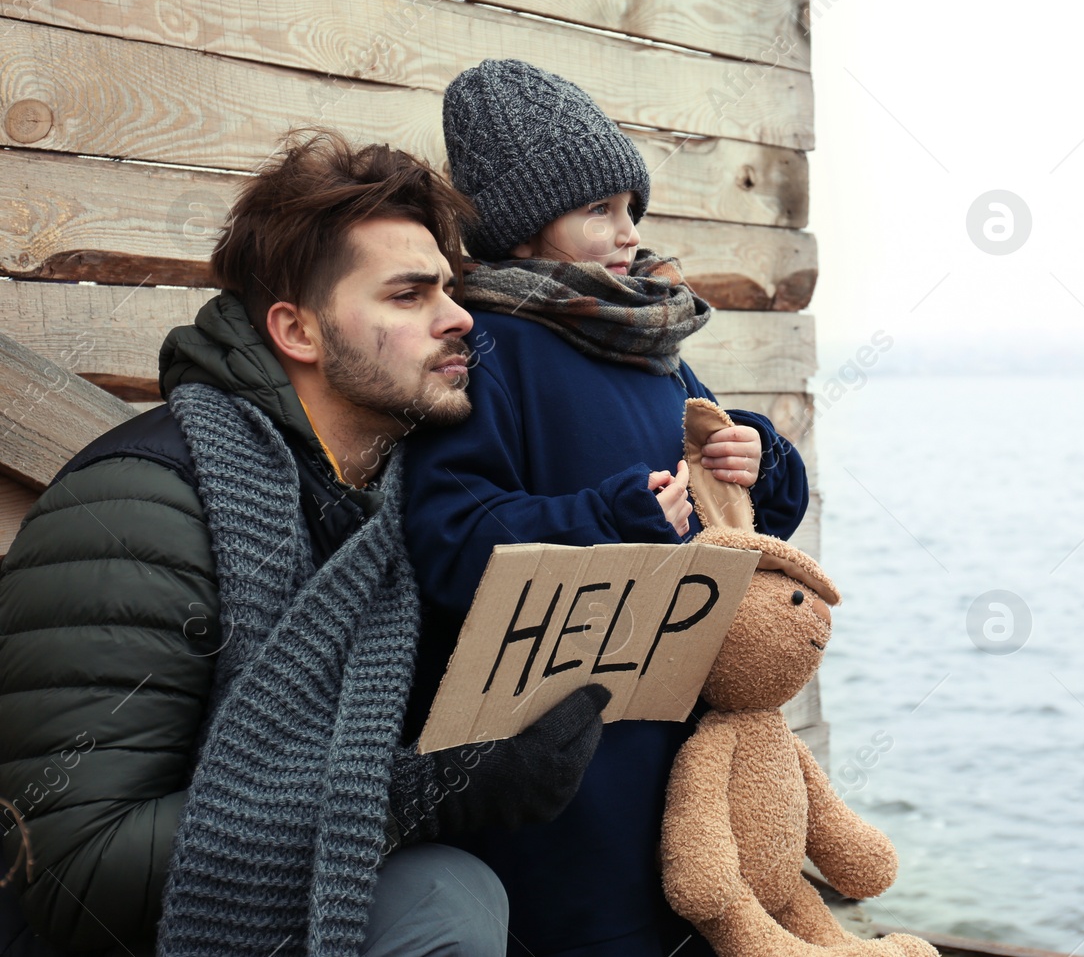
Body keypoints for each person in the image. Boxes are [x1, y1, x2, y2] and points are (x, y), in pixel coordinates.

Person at [0, 130, 609, 957]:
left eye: (451, 289)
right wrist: (425, 791)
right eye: (408, 295)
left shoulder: (382, 505)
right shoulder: (142, 509)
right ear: (298, 330)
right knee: (446, 897)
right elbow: (77, 876)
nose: (460, 316)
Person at [401, 60, 811, 957]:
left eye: (633, 207)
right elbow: (445, 540)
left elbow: (745, 516)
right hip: (558, 765)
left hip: (675, 735)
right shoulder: (491, 348)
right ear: (520, 224)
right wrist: (606, 516)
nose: (629, 233)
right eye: (599, 210)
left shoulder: (648, 339)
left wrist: (761, 458)